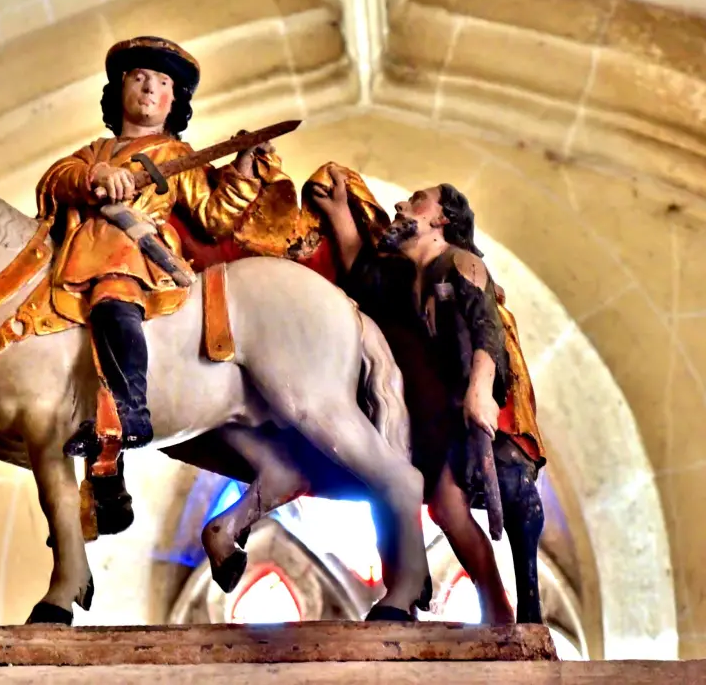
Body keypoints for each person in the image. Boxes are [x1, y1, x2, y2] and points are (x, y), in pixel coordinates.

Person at [312, 166, 545, 624]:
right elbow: (362, 278)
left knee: (489, 499)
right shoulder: (408, 279)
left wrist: (481, 390)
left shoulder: (461, 262)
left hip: (485, 405)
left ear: (442, 220)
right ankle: (497, 608)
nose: (401, 206)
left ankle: (522, 607)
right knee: (444, 505)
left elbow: (486, 328)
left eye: (417, 200)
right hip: (446, 414)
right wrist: (340, 212)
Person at [35, 36, 267, 459]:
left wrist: (243, 169)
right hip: (77, 255)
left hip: (136, 251)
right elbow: (54, 180)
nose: (148, 89)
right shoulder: (94, 152)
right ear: (119, 90)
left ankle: (130, 410)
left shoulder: (176, 154)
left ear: (172, 101)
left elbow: (213, 216)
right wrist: (95, 175)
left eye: (161, 83)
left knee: (113, 300)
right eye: (139, 78)